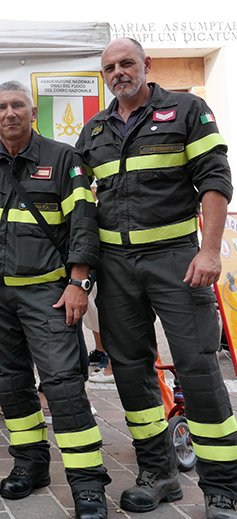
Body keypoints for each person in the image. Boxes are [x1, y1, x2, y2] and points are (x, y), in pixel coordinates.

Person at [74, 37, 237, 519]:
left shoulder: (187, 109)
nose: (119, 72)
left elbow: (215, 179)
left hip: (177, 260)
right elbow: (82, 201)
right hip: (117, 267)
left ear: (147, 64)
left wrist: (209, 251)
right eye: (110, 67)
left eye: (127, 63)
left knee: (198, 368)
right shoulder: (95, 129)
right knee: (130, 370)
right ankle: (159, 473)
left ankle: (221, 488)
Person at [0, 80, 109, 519]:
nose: (10, 113)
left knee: (61, 385)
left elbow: (83, 222)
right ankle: (30, 465)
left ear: (32, 113)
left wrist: (79, 282)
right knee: (11, 383)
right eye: (1, 107)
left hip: (47, 293)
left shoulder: (63, 159)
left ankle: (88, 485)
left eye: (18, 105)